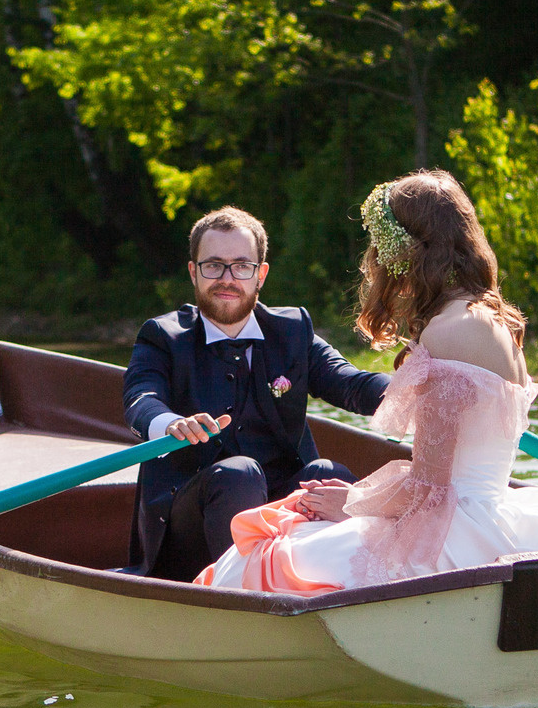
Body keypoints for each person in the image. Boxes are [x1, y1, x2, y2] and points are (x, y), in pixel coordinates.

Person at [197, 170, 538, 594]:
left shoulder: (448, 330)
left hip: (453, 528)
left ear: (403, 250)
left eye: (379, 246)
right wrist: (358, 495)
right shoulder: (495, 319)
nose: (374, 258)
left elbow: (430, 490)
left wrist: (352, 503)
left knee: (263, 553)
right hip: (494, 513)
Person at [125, 206, 392, 580]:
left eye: (241, 266)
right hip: (190, 523)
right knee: (238, 474)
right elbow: (141, 398)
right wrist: (171, 424)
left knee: (328, 474)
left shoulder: (292, 331)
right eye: (213, 265)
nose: (227, 278)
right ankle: (241, 594)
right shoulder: (162, 336)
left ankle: (330, 585)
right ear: (193, 272)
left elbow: (349, 382)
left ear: (260, 274)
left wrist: (414, 389)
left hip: (277, 504)